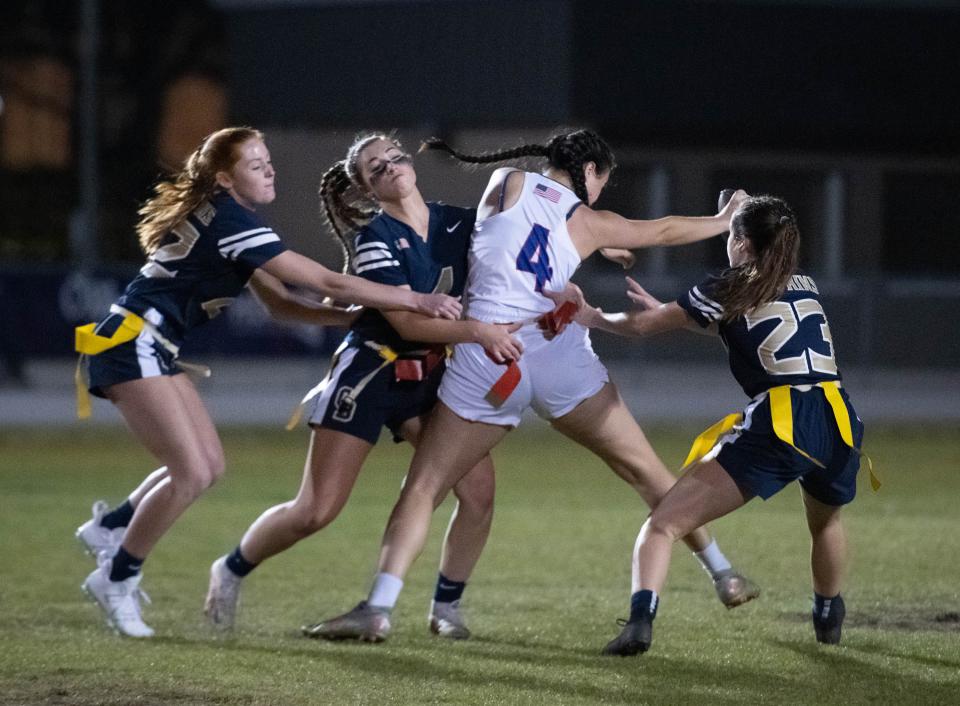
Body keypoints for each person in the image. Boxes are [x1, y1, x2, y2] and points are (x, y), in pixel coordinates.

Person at [303, 129, 759, 643]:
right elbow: (665, 229)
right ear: (589, 173)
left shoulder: (505, 181)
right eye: (602, 179)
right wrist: (721, 222)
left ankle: (380, 606)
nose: (601, 190)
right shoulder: (593, 221)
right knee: (644, 469)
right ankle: (724, 573)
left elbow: (496, 241)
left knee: (425, 486)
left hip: (491, 354)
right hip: (559, 353)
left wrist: (599, 245)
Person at [76, 126, 465, 638]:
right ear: (224, 179)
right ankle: (117, 578)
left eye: (268, 161)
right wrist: (415, 300)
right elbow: (325, 281)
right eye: (256, 165)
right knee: (192, 473)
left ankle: (111, 526)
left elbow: (281, 306)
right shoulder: (233, 220)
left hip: (145, 342)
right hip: (133, 343)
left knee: (207, 466)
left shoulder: (227, 218)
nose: (270, 170)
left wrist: (355, 321)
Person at [201, 133, 523, 641]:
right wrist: (480, 331)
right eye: (376, 168)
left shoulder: (459, 221)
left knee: (479, 490)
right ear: (367, 188)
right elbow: (408, 326)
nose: (391, 166)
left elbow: (518, 253)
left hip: (431, 376)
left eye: (395, 156)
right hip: (370, 373)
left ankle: (445, 608)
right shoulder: (373, 237)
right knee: (316, 510)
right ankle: (231, 568)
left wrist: (582, 255)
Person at [579, 195, 865, 655]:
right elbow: (747, 323)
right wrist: (677, 313)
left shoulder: (729, 285)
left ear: (742, 242)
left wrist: (590, 316)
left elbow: (639, 327)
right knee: (826, 519)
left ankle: (638, 625)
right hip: (839, 417)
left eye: (733, 235)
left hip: (783, 420)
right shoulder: (804, 283)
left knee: (662, 525)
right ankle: (828, 619)